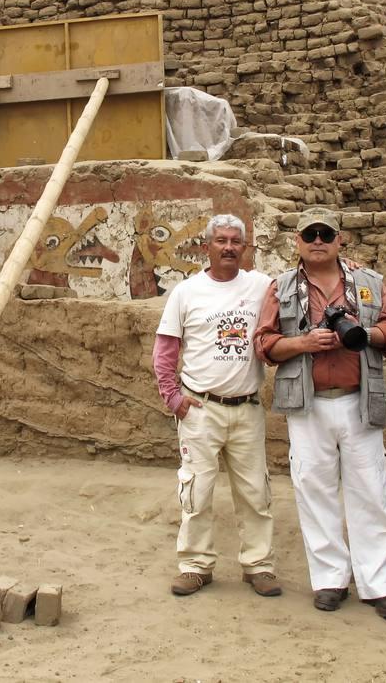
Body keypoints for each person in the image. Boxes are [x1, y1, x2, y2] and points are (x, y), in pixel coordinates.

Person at [255, 207, 386, 622]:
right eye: (310, 234)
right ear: (297, 242)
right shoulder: (281, 287)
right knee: (314, 491)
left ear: (341, 240)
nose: (318, 240)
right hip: (308, 405)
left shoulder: (369, 283)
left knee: (372, 493)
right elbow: (264, 344)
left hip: (359, 400)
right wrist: (304, 343)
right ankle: (330, 580)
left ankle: (379, 586)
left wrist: (363, 334)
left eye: (326, 233)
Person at [153, 214, 282, 599]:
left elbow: (303, 282)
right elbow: (165, 351)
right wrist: (173, 398)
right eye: (221, 240)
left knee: (255, 492)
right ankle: (195, 565)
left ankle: (258, 565)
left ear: (245, 247)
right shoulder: (186, 292)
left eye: (235, 241)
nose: (228, 247)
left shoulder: (261, 286)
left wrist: (349, 264)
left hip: (246, 410)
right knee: (196, 492)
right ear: (206, 246)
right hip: (201, 410)